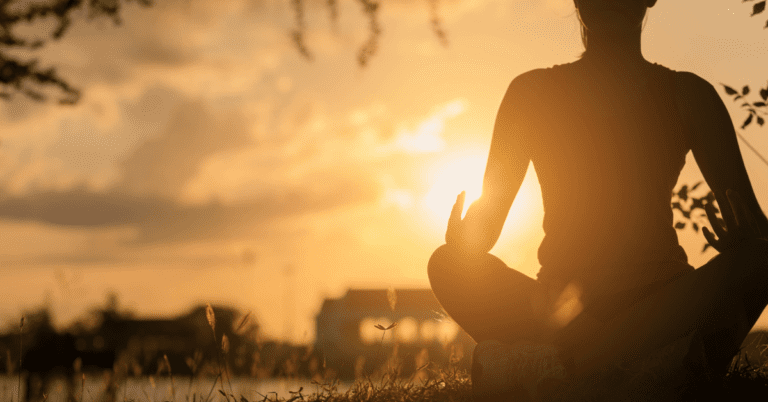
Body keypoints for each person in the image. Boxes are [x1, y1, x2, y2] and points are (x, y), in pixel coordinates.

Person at [427, 0, 768, 398]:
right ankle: (642, 365)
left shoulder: (688, 94)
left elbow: (755, 231)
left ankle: (571, 363)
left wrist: (742, 243)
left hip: (658, 306)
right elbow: (483, 233)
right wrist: (462, 243)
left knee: (760, 259)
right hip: (572, 312)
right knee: (446, 264)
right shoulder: (532, 92)